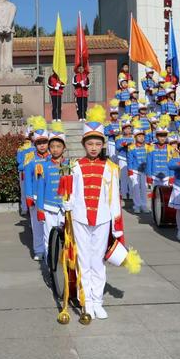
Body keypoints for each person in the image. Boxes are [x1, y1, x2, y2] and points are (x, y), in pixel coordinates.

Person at [62, 105, 124, 319]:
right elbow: (67, 191)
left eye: (98, 143)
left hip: (102, 218)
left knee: (98, 261)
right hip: (79, 217)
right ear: (84, 144)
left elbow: (115, 197)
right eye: (90, 143)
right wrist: (66, 203)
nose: (94, 147)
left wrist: (117, 227)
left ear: (103, 145)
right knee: (83, 260)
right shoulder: (73, 166)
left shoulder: (111, 168)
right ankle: (85, 300)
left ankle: (98, 300)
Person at [35, 121, 67, 259]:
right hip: (49, 207)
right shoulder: (43, 166)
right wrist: (40, 209)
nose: (55, 149)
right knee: (48, 238)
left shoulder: (70, 166)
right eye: (52, 146)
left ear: (64, 148)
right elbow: (40, 189)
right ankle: (50, 266)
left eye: (58, 146)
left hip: (66, 208)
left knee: (67, 239)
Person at [23, 117, 50, 261]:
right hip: (35, 197)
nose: (42, 146)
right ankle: (39, 250)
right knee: (37, 225)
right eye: (39, 143)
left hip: (49, 197)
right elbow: (27, 178)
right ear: (34, 143)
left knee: (50, 225)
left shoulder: (53, 157)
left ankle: (49, 249)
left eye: (44, 142)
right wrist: (28, 196)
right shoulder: (29, 158)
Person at [127, 120, 151, 214]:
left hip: (144, 171)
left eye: (142, 136)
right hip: (135, 171)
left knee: (144, 188)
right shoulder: (131, 147)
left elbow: (149, 160)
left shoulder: (148, 147)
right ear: (135, 137)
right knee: (136, 188)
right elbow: (130, 160)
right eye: (139, 136)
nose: (141, 138)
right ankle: (137, 205)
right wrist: (130, 172)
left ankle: (144, 205)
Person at [146, 115, 174, 189]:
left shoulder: (170, 148)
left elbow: (172, 165)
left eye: (164, 136)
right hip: (154, 177)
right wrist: (149, 176)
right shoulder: (151, 148)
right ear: (156, 136)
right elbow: (149, 164)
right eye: (160, 136)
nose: (162, 138)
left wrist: (171, 177)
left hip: (166, 177)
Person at [16, 119, 35, 215]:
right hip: (34, 172)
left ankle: (24, 209)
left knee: (24, 191)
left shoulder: (21, 148)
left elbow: (19, 161)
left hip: (24, 171)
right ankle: (31, 207)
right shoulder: (38, 148)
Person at [115, 115, 134, 199]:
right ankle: (124, 193)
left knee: (131, 177)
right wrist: (125, 144)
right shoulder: (120, 138)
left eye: (129, 128)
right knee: (123, 177)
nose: (128, 130)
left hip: (132, 160)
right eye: (126, 128)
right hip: (122, 158)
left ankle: (131, 193)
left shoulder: (134, 138)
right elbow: (117, 147)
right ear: (123, 130)